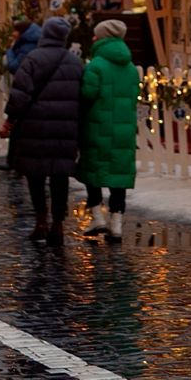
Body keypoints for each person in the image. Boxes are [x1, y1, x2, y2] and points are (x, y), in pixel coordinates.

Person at [2, 16, 83, 247]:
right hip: (65, 129)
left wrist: (10, 120)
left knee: (35, 176)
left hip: (34, 127)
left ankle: (41, 222)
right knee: (59, 178)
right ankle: (58, 224)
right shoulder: (74, 62)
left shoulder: (32, 59)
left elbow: (19, 95)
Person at [77, 19, 140, 243]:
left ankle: (97, 217)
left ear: (103, 38)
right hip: (124, 129)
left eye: (96, 35)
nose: (93, 38)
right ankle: (116, 223)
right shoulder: (132, 69)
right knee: (118, 175)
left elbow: (86, 96)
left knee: (91, 170)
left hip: (97, 126)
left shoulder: (96, 66)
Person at [0, 18, 41, 172]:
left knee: (18, 126)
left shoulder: (27, 46)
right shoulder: (30, 43)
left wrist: (9, 51)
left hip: (27, 89)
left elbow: (15, 66)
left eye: (15, 31)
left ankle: (14, 161)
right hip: (32, 89)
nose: (13, 34)